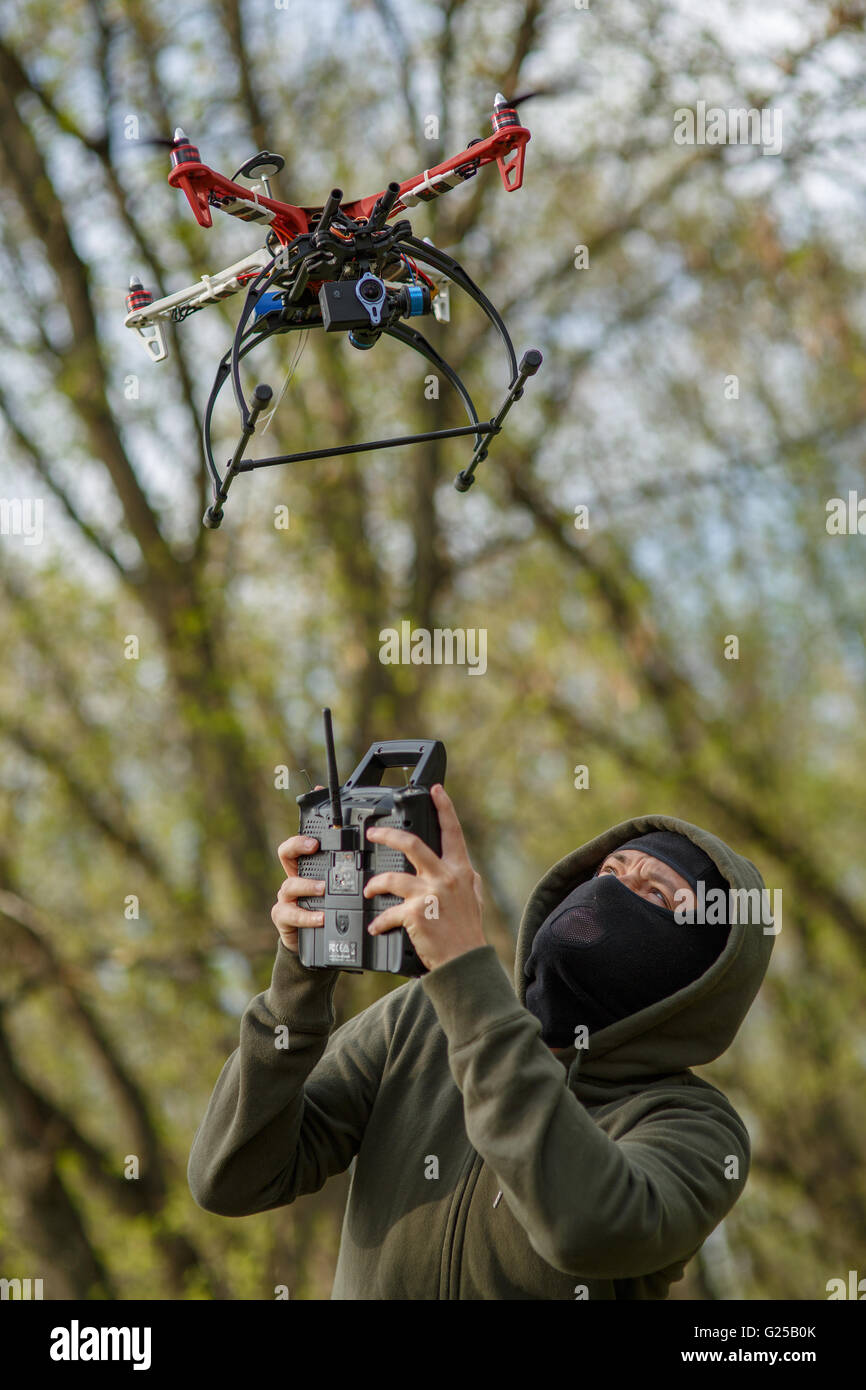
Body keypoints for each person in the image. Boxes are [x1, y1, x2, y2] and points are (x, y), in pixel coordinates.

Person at [188, 786, 774, 1299]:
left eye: (657, 897)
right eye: (609, 873)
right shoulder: (421, 1018)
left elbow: (583, 1225)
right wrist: (298, 977)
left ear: (703, 970)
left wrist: (465, 971)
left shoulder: (697, 1128)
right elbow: (231, 1176)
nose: (611, 896)